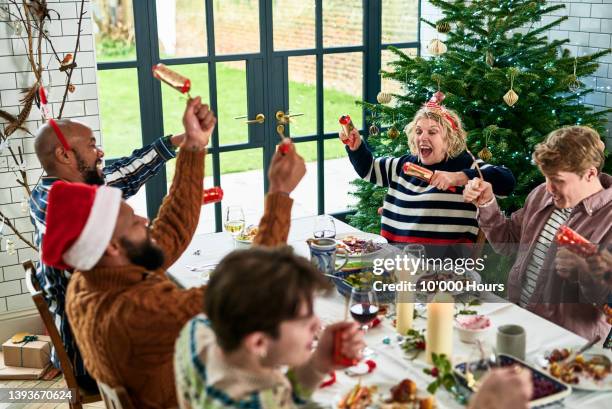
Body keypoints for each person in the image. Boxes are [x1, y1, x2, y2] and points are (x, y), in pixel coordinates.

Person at [42, 96, 307, 408]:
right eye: (132, 220)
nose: (144, 220)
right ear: (112, 246)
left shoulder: (93, 279)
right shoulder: (137, 311)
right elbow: (247, 293)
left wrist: (194, 145)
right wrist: (279, 194)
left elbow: (171, 228)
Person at [30, 117, 185, 389]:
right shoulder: (57, 205)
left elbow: (120, 175)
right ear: (64, 154)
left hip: (88, 343)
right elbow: (164, 241)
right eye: (91, 146)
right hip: (90, 358)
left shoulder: (57, 193)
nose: (99, 152)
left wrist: (174, 143)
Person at [464, 126, 612, 339]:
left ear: (590, 173)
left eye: (558, 180)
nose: (549, 188)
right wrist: (486, 203)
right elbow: (507, 242)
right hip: (517, 321)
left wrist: (585, 271)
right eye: (546, 178)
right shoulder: (541, 195)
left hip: (565, 344)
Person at [174, 246, 365, 409]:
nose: (317, 324)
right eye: (304, 320)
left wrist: (317, 364)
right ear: (258, 342)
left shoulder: (195, 329)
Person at [341, 93, 515, 244]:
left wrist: (458, 177)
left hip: (442, 268)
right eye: (418, 131)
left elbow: (507, 181)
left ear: (450, 138)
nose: (423, 137)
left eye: (432, 132)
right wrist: (356, 148)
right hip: (394, 259)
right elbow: (369, 169)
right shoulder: (404, 165)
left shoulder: (465, 165)